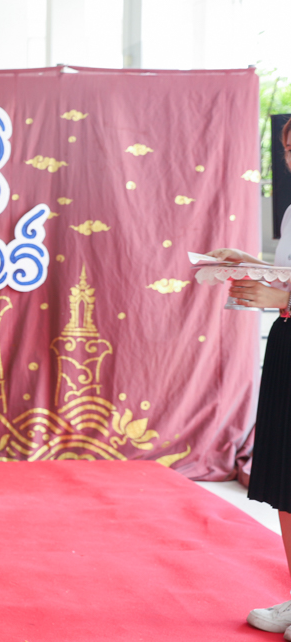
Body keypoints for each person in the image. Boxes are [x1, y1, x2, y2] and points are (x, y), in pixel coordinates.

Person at [210, 120, 291, 638]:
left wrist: (283, 297)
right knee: (287, 482)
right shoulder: (290, 211)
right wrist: (252, 265)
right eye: (288, 147)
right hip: (286, 343)